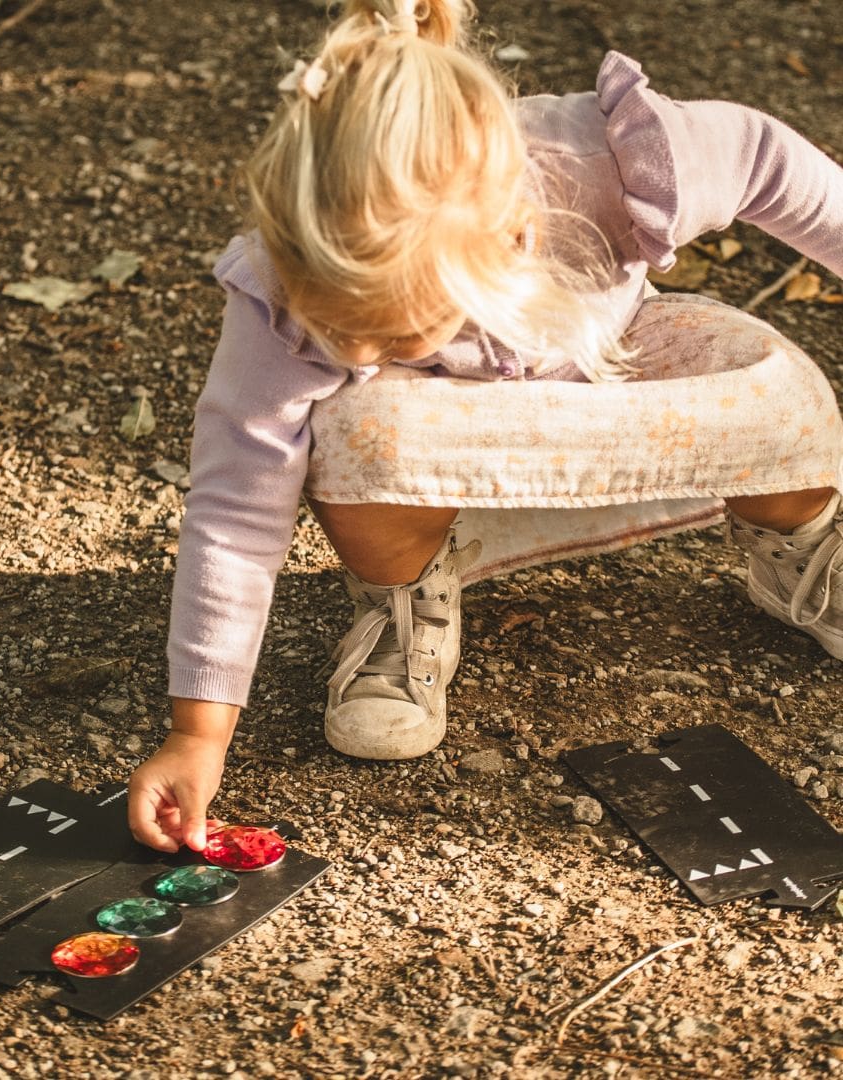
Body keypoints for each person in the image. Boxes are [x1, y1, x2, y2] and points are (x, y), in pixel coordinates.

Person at [128, 0, 843, 853]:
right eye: (339, 328)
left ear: (503, 236)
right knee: (359, 423)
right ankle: (406, 602)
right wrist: (198, 732)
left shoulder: (611, 161)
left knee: (781, 391)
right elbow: (235, 514)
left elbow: (768, 159)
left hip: (604, 361)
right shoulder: (290, 283)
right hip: (439, 438)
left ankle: (801, 555)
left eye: (394, 326)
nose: (356, 349)